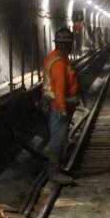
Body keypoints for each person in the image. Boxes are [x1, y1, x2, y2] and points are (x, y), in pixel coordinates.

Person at [43, 27, 80, 184]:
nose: (70, 47)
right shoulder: (59, 63)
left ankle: (57, 168)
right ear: (66, 45)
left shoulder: (57, 57)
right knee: (57, 140)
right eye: (69, 44)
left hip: (58, 106)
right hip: (59, 108)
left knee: (59, 138)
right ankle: (54, 173)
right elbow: (59, 90)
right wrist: (63, 111)